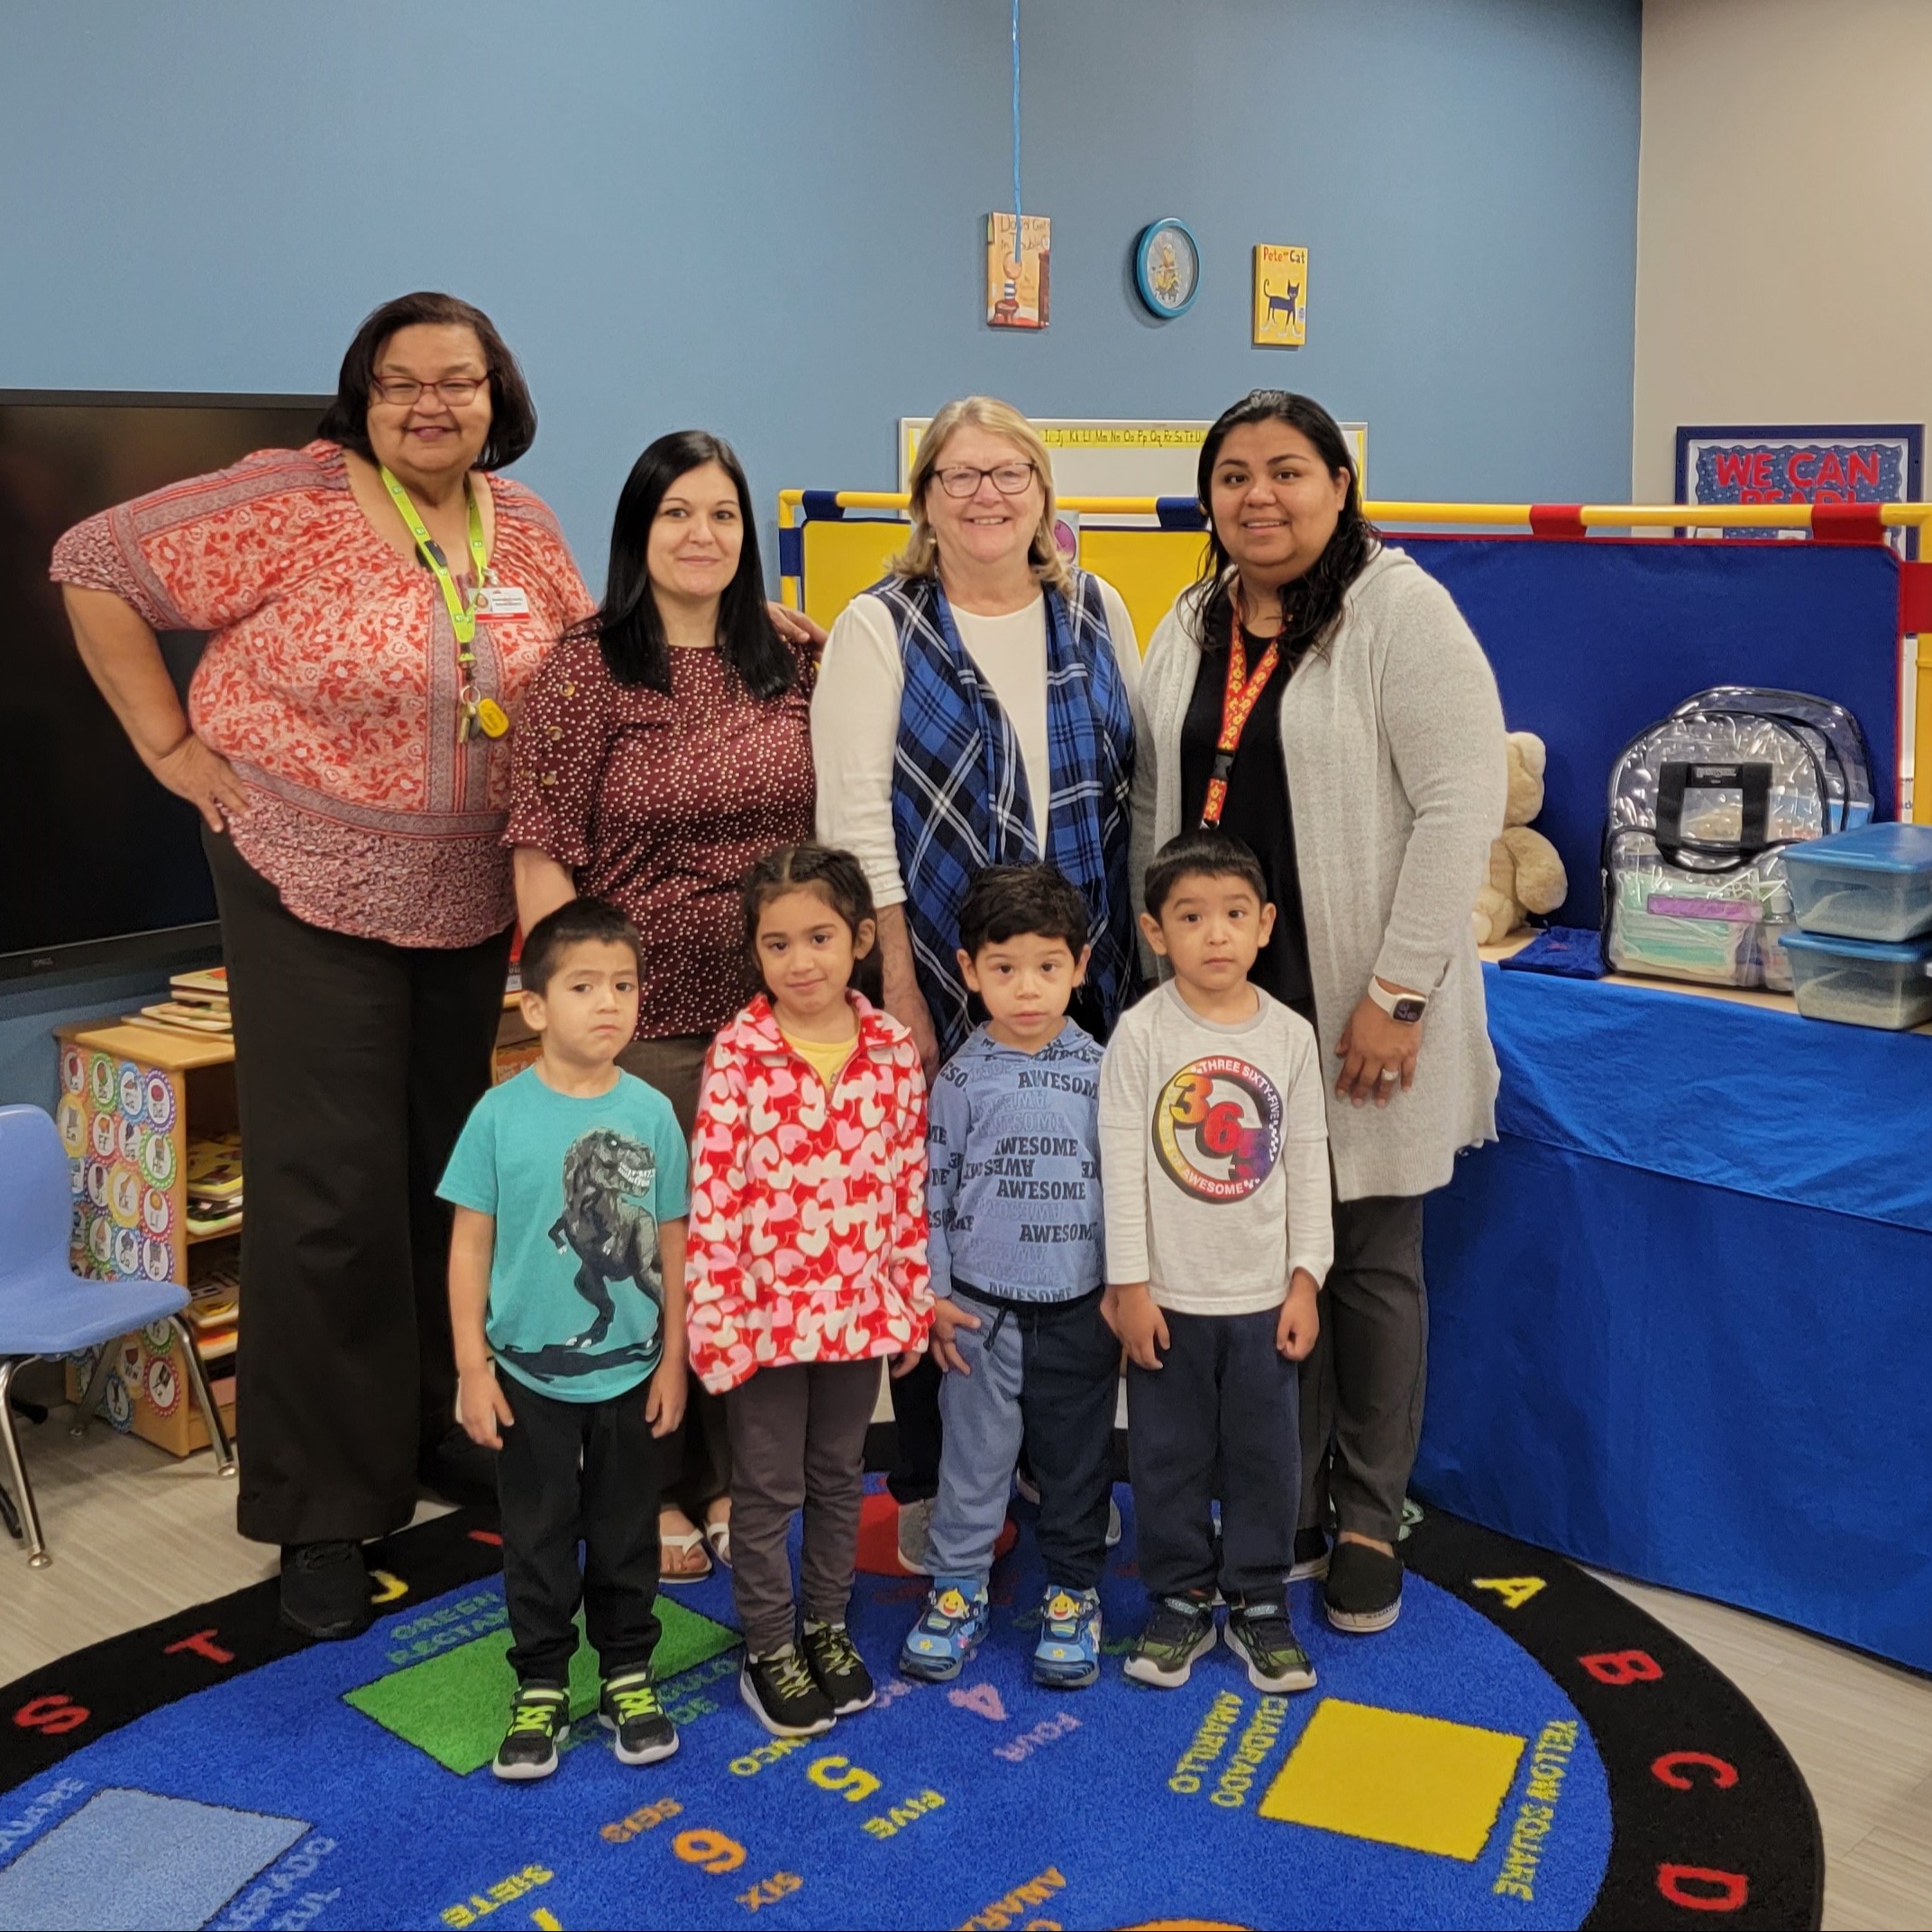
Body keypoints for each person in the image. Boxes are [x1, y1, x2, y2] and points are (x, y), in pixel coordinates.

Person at [51, 291, 598, 1639]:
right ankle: (318, 1510)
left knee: (441, 1172)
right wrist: (168, 746)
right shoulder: (287, 499)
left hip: (469, 890)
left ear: (496, 394)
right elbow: (90, 558)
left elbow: (579, 678)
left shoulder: (522, 523)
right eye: (401, 381)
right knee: (325, 1194)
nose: (431, 404)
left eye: (457, 382)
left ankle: (426, 1428)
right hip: (303, 871)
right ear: (360, 394)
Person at [1131, 391, 1506, 1634]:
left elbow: (1459, 808)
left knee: (1369, 1265)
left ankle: (1364, 1514)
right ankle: (1282, 1495)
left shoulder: (1399, 612)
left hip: (1356, 1004)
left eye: (1286, 471)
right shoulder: (1187, 622)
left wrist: (1396, 994)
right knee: (1252, 1260)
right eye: (1231, 474)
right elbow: (1155, 807)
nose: (1258, 496)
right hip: (1221, 1012)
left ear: (1338, 485)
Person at [812, 396, 1141, 1567]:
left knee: (1061, 1204)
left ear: (1044, 492)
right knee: (941, 1208)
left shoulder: (1095, 608)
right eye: (958, 474)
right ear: (924, 500)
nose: (986, 493)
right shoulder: (877, 626)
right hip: (944, 965)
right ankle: (931, 1473)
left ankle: (1063, 1466)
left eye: (1009, 472)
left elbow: (1131, 787)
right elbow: (854, 823)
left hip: (1076, 961)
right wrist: (899, 987)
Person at [507, 430, 819, 1587]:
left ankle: (741, 1474)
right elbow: (540, 852)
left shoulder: (790, 658)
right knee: (648, 1263)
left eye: (724, 515)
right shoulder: (585, 669)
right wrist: (578, 1015)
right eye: (676, 513)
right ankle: (659, 1484)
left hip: (776, 1022)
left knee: (751, 1257)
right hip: (646, 1028)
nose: (703, 536)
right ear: (638, 532)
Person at [684, 845, 932, 1738]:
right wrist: (712, 1325)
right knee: (766, 1488)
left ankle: (825, 1623)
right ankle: (769, 1645)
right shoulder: (739, 1053)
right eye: (778, 943)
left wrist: (908, 1299)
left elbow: (907, 1186)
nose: (802, 961)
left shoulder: (893, 1049)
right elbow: (711, 1198)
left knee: (837, 1476)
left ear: (861, 939)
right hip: (761, 1323)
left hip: (859, 1313)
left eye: (820, 937)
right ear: (755, 953)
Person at [438, 900, 688, 1781]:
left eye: (623, 984)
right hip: (526, 1379)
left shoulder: (653, 1112)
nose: (608, 1003)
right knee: (538, 1536)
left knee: (625, 1534)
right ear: (536, 1006)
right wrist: (472, 1364)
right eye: (584, 986)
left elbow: (670, 1243)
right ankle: (540, 1682)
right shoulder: (497, 1117)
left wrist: (675, 1357)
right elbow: (470, 1243)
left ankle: (627, 1670)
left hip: (630, 1376)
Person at [1100, 833, 1332, 1692]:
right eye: (1191, 918)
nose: (1216, 935)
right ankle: (1179, 1596)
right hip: (1168, 1298)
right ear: (1155, 931)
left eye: (1235, 915)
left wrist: (1305, 1277)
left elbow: (1307, 1160)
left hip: (1263, 1298)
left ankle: (1260, 1600)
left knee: (1266, 1457)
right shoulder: (1140, 1033)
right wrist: (1129, 1286)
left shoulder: (1291, 1036)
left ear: (1265, 924)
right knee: (1166, 1456)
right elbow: (1122, 1166)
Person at [897, 865, 1114, 1690]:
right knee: (973, 1462)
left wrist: (1122, 1291)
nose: (1027, 988)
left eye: (1047, 967)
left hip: (1079, 1311)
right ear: (966, 969)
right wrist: (938, 1295)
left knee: (1075, 1461)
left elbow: (1122, 1190)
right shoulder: (956, 1079)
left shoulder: (1103, 1071)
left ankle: (1073, 1592)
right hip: (977, 1315)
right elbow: (935, 1190)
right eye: (1003, 968)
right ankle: (956, 1590)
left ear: (1081, 965)